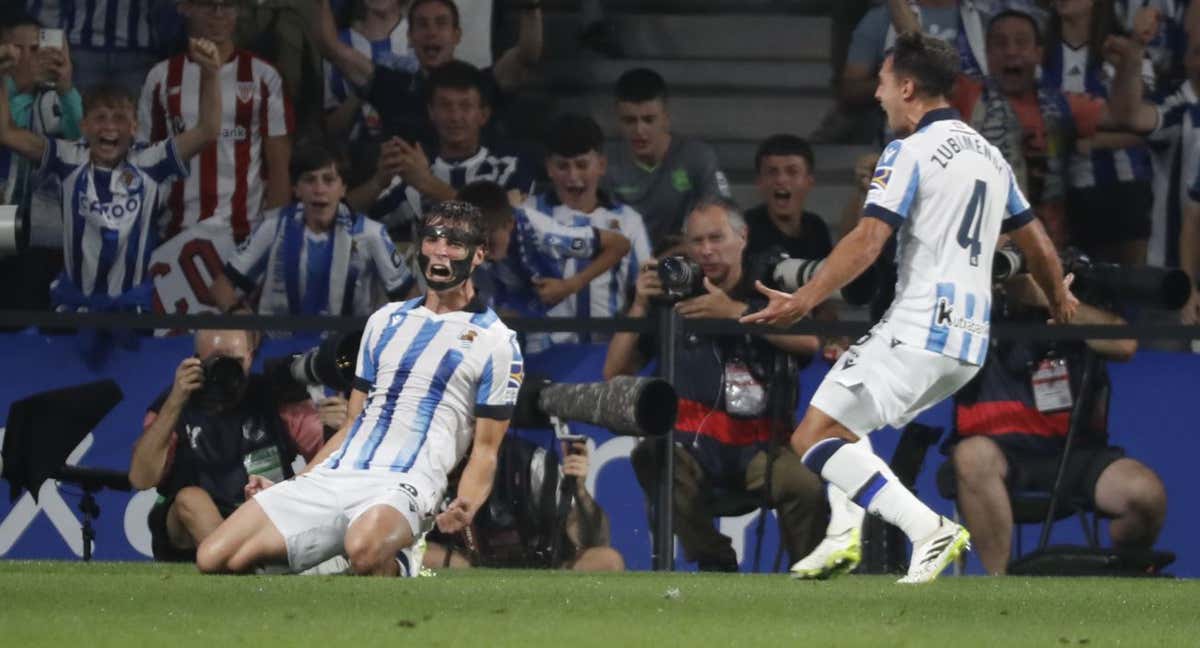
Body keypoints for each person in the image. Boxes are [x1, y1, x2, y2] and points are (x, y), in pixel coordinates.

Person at [741, 31, 1079, 584]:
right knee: (846, 420)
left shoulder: (910, 151)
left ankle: (927, 529)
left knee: (812, 437)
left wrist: (805, 297)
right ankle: (842, 534)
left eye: (881, 84)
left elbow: (867, 241)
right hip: (969, 343)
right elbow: (1036, 240)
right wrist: (1059, 297)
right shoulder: (990, 156)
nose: (877, 96)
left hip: (919, 326)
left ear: (906, 86)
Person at [195, 200, 524, 577]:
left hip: (407, 481)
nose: (440, 250)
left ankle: (403, 558)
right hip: (338, 472)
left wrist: (466, 502)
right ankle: (329, 556)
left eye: (455, 243)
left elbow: (485, 449)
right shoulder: (384, 321)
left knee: (364, 550)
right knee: (214, 558)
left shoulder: (497, 341)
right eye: (432, 238)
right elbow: (353, 422)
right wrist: (297, 483)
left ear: (478, 254)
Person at [604, 198, 828, 572]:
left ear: (742, 237)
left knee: (804, 486)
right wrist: (641, 303)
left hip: (762, 445)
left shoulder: (769, 285)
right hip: (692, 446)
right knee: (650, 455)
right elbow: (614, 370)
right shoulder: (672, 294)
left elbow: (808, 344)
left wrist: (737, 314)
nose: (706, 250)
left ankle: (812, 572)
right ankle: (714, 560)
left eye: (716, 238)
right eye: (696, 241)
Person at [945, 273, 1167, 574]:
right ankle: (997, 588)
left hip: (1076, 454)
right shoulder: (970, 291)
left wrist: (1048, 298)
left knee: (1145, 494)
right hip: (999, 451)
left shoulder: (1071, 293)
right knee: (971, 457)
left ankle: (1124, 577)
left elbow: (1124, 344)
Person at [0, 38, 223, 313]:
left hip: (132, 310)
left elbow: (208, 130)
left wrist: (210, 73)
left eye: (119, 118)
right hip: (74, 307)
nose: (109, 127)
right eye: (100, 118)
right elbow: (7, 133)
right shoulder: (68, 156)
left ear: (133, 127)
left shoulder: (150, 160)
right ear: (84, 125)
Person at [949, 10, 1160, 249]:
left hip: (1049, 251)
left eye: (1021, 42)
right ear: (986, 54)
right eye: (999, 43)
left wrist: (1132, 57)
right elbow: (916, 63)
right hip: (980, 247)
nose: (1010, 51)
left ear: (1038, 54)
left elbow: (1123, 115)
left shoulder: (1061, 104)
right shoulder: (967, 95)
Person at [127, 329, 334, 561]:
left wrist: (338, 429)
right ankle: (237, 567)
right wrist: (176, 400)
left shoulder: (276, 398)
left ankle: (249, 564)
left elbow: (328, 470)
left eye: (236, 361)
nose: (228, 370)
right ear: (197, 360)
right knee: (190, 499)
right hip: (192, 524)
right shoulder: (173, 403)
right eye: (218, 361)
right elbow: (140, 479)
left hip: (262, 515)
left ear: (250, 357)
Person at [139, 0, 293, 246]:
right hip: (175, 236)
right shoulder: (160, 78)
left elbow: (279, 165)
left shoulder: (264, 76)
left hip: (244, 235)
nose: (219, 14)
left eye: (228, 5)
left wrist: (272, 239)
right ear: (186, 7)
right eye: (209, 5)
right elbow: (144, 163)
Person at [209, 144, 412, 317]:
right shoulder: (273, 227)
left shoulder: (371, 234)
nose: (319, 189)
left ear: (343, 188)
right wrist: (240, 317)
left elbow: (409, 295)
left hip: (347, 353)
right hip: (277, 349)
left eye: (328, 180)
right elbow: (221, 287)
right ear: (296, 189)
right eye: (309, 180)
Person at [313, 0, 542, 147]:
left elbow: (527, 55)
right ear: (410, 38)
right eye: (422, 25)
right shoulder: (392, 86)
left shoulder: (480, 84)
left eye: (441, 24)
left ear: (457, 35)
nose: (431, 33)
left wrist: (531, 7)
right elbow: (331, 48)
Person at [355, 60, 536, 233]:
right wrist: (378, 182)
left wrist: (428, 184)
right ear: (431, 113)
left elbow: (501, 227)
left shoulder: (510, 167)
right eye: (445, 106)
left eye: (465, 106)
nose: (455, 117)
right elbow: (345, 222)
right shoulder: (416, 172)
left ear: (483, 114)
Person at [460, 180, 630, 354]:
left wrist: (571, 285)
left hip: (551, 334)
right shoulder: (456, 243)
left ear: (509, 224)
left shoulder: (545, 235)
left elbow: (619, 244)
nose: (483, 252)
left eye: (492, 243)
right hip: (498, 334)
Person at [526, 112, 650, 344]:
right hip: (542, 357)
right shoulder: (527, 214)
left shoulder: (629, 221)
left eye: (582, 165)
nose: (573, 176)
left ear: (601, 165)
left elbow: (644, 287)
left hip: (608, 356)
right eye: (563, 166)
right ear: (549, 168)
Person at [423, 436, 624, 572]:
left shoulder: (530, 461)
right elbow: (413, 547)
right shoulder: (427, 464)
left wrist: (579, 491)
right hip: (468, 566)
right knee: (418, 559)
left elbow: (596, 541)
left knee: (608, 561)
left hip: (542, 569)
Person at [0, 12, 81, 312]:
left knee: (27, 295)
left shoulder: (56, 98)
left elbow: (81, 141)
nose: (30, 57)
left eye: (37, 48)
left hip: (38, 224)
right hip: (3, 213)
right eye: (18, 49)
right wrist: (20, 92)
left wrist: (67, 88)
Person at [604, 67, 730, 252]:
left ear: (666, 118)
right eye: (630, 121)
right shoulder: (605, 165)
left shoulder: (696, 157)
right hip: (623, 263)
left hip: (684, 264)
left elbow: (721, 224)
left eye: (649, 120)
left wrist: (659, 264)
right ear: (618, 120)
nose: (639, 130)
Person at [322, 0, 413, 145]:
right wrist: (359, 95)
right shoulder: (336, 46)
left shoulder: (418, 39)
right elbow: (329, 130)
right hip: (352, 159)